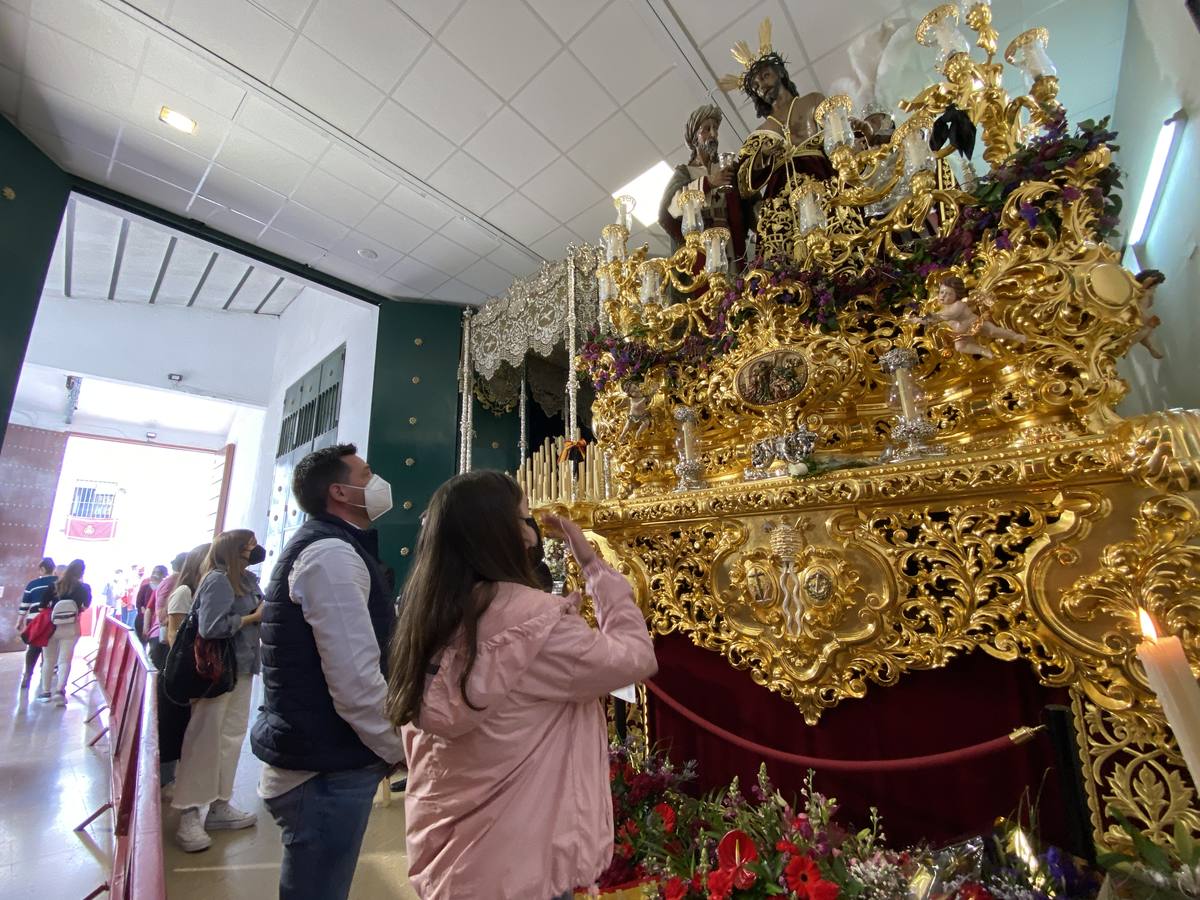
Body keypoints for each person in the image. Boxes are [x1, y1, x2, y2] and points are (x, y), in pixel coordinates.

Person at [388, 470, 658, 899]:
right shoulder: (536, 625)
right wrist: (594, 568)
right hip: (522, 861)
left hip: (453, 853)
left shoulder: (428, 609)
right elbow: (636, 658)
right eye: (523, 519)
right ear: (500, 533)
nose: (530, 533)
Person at [250, 443, 404, 900]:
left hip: (324, 757)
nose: (378, 484)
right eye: (367, 475)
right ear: (339, 492)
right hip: (322, 770)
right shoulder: (331, 555)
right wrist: (399, 745)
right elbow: (355, 681)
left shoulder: (334, 547)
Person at [172, 529, 264, 852]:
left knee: (232, 736)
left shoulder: (249, 582)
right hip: (217, 672)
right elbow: (210, 627)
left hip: (243, 668)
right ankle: (188, 812)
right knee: (205, 737)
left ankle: (220, 803)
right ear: (234, 549)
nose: (254, 549)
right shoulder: (218, 580)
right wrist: (252, 617)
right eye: (249, 544)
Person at [717, 19, 831, 207]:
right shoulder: (759, 134)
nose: (761, 85)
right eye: (755, 86)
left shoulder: (812, 101)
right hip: (782, 201)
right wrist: (763, 154)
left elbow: (839, 136)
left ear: (780, 74)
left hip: (823, 181)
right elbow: (743, 184)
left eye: (765, 76)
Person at [658, 104, 752, 265]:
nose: (713, 134)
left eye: (715, 128)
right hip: (701, 246)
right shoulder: (685, 172)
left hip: (729, 243)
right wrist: (708, 182)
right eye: (707, 129)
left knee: (732, 283)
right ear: (695, 138)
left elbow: (749, 198)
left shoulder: (728, 168)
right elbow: (672, 207)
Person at [160, 544, 209, 792]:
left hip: (193, 666)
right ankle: (166, 777)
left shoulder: (201, 592)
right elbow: (173, 633)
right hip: (181, 667)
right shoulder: (183, 591)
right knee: (173, 721)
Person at [39, 559, 92, 706]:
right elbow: (85, 606)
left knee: (48, 660)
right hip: (71, 628)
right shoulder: (83, 588)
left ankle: (45, 692)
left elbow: (42, 606)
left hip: (51, 627)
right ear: (82, 572)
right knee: (64, 660)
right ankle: (60, 691)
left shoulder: (55, 585)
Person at [17, 557, 56, 689]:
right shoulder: (59, 583)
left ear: (43, 569)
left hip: (35, 621)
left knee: (33, 649)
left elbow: (24, 605)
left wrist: (19, 621)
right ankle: (44, 677)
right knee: (49, 650)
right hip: (52, 621)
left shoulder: (32, 584)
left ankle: (28, 674)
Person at [148, 552, 188, 670]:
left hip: (161, 635)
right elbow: (161, 613)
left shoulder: (171, 580)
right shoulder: (174, 581)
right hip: (163, 636)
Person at [134, 564, 167, 643]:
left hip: (157, 623)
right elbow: (139, 603)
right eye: (154, 572)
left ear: (164, 575)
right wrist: (143, 610)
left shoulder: (165, 588)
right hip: (142, 621)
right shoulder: (145, 587)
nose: (155, 575)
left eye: (158, 573)